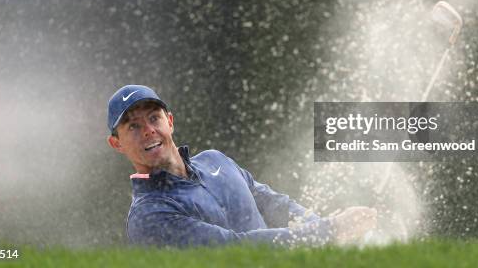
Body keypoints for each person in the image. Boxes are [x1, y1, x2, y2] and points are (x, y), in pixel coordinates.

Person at [107, 84, 377, 247]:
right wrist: (328, 231)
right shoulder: (149, 216)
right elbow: (235, 250)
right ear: (117, 143)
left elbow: (274, 204)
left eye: (154, 118)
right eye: (133, 126)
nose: (148, 131)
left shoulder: (216, 161)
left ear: (170, 121)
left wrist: (338, 235)